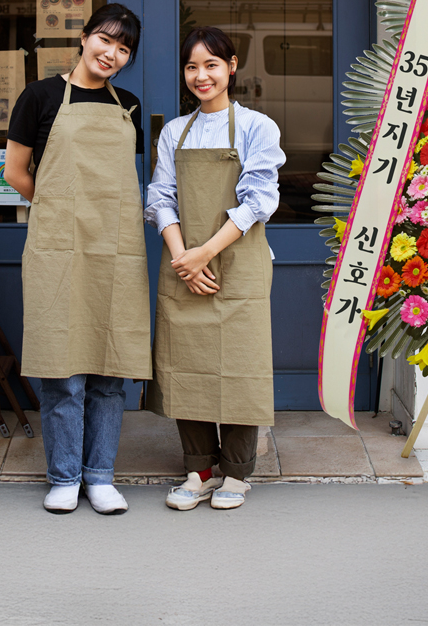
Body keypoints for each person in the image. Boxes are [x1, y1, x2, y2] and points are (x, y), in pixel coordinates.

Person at [4, 3, 150, 515]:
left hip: (115, 248)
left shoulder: (128, 104)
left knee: (110, 367)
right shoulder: (40, 95)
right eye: (105, 40)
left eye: (124, 48)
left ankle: (101, 476)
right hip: (58, 248)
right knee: (62, 368)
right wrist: (58, 208)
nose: (112, 53)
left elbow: (122, 181)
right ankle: (64, 476)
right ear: (84, 37)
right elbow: (15, 172)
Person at [145, 26, 284, 510]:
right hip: (184, 261)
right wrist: (184, 257)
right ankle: (198, 469)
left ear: (231, 66)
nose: (201, 76)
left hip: (238, 263)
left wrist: (203, 254)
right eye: (191, 67)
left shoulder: (256, 127)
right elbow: (161, 196)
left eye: (210, 65)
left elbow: (260, 200)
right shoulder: (173, 132)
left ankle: (237, 474)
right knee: (189, 363)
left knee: (240, 365)